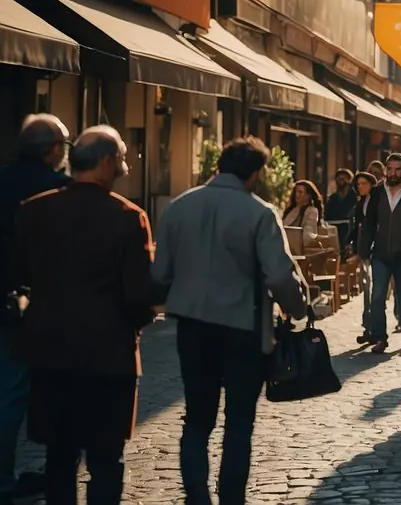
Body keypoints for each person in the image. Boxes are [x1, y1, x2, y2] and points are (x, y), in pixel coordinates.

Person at [152, 137, 307, 505]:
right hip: (243, 329)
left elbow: (160, 273)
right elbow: (280, 276)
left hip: (192, 327)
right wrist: (299, 308)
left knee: (197, 419)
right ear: (254, 173)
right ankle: (232, 499)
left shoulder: (180, 207)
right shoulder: (259, 213)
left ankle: (197, 498)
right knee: (239, 423)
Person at [14, 127, 158, 505]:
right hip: (108, 357)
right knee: (106, 458)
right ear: (107, 162)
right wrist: (139, 319)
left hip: (50, 351)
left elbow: (16, 273)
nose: (125, 168)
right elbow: (140, 293)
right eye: (123, 159)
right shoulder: (128, 217)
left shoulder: (34, 210)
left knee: (59, 457)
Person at [0, 114, 70, 503]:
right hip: (47, 305)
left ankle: (5, 477)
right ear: (52, 150)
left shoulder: (2, 179)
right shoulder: (60, 190)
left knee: (8, 389)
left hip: (6, 299)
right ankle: (52, 470)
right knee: (49, 390)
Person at [360, 153, 401, 354]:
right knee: (377, 296)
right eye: (390, 169)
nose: (393, 173)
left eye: (398, 169)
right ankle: (380, 338)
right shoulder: (376, 192)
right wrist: (363, 252)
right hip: (380, 254)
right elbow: (368, 224)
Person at [351, 171, 377, 343]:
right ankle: (368, 328)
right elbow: (357, 228)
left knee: (375, 292)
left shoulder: (377, 202)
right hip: (364, 251)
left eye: (364, 183)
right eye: (358, 184)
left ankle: (374, 329)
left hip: (377, 251)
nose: (361, 187)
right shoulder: (361, 203)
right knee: (366, 291)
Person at [282, 180, 325, 251]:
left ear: (309, 195)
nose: (297, 195)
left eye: (300, 192)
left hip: (298, 249)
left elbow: (308, 234)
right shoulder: (290, 210)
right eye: (296, 192)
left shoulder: (312, 211)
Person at [324, 169, 358, 253]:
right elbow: (327, 214)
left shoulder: (355, 197)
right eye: (339, 178)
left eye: (344, 178)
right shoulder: (332, 198)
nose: (341, 181)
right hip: (335, 231)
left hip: (350, 230)